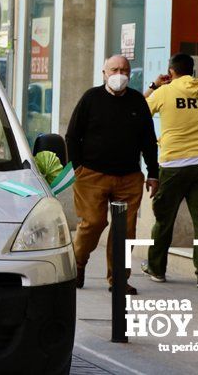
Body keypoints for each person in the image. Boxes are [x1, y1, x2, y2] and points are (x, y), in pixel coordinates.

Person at [65, 55, 159, 295]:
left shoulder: (138, 101)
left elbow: (149, 140)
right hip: (92, 175)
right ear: (104, 73)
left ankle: (118, 279)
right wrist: (77, 168)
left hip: (129, 177)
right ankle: (77, 265)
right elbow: (73, 136)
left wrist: (153, 172)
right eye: (115, 69)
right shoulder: (91, 98)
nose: (120, 74)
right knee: (93, 223)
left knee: (125, 231)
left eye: (125, 70)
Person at [141, 54, 198, 289]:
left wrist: (154, 86)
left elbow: (139, 109)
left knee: (164, 218)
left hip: (173, 163)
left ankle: (156, 268)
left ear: (171, 71)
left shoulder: (165, 92)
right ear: (192, 70)